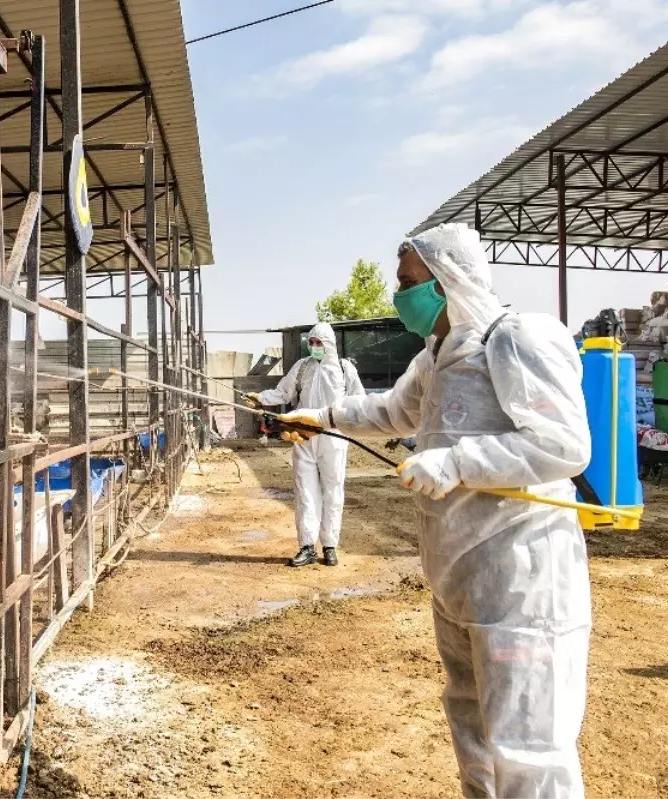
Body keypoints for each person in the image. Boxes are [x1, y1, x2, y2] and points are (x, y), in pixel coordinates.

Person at [282, 223, 593, 798]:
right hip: (459, 575)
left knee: (528, 747)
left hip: (522, 579)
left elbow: (565, 445)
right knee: (471, 727)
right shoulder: (439, 354)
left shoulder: (517, 338)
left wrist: (457, 462)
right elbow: (393, 412)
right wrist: (321, 419)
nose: (399, 296)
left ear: (448, 280)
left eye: (408, 283)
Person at [245, 322, 363, 567]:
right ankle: (307, 546)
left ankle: (330, 546)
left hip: (334, 436)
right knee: (305, 491)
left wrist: (353, 423)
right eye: (311, 342)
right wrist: (261, 399)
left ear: (329, 344)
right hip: (303, 436)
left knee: (333, 490)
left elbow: (359, 401)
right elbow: (283, 393)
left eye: (319, 343)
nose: (314, 347)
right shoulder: (301, 367)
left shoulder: (345, 369)